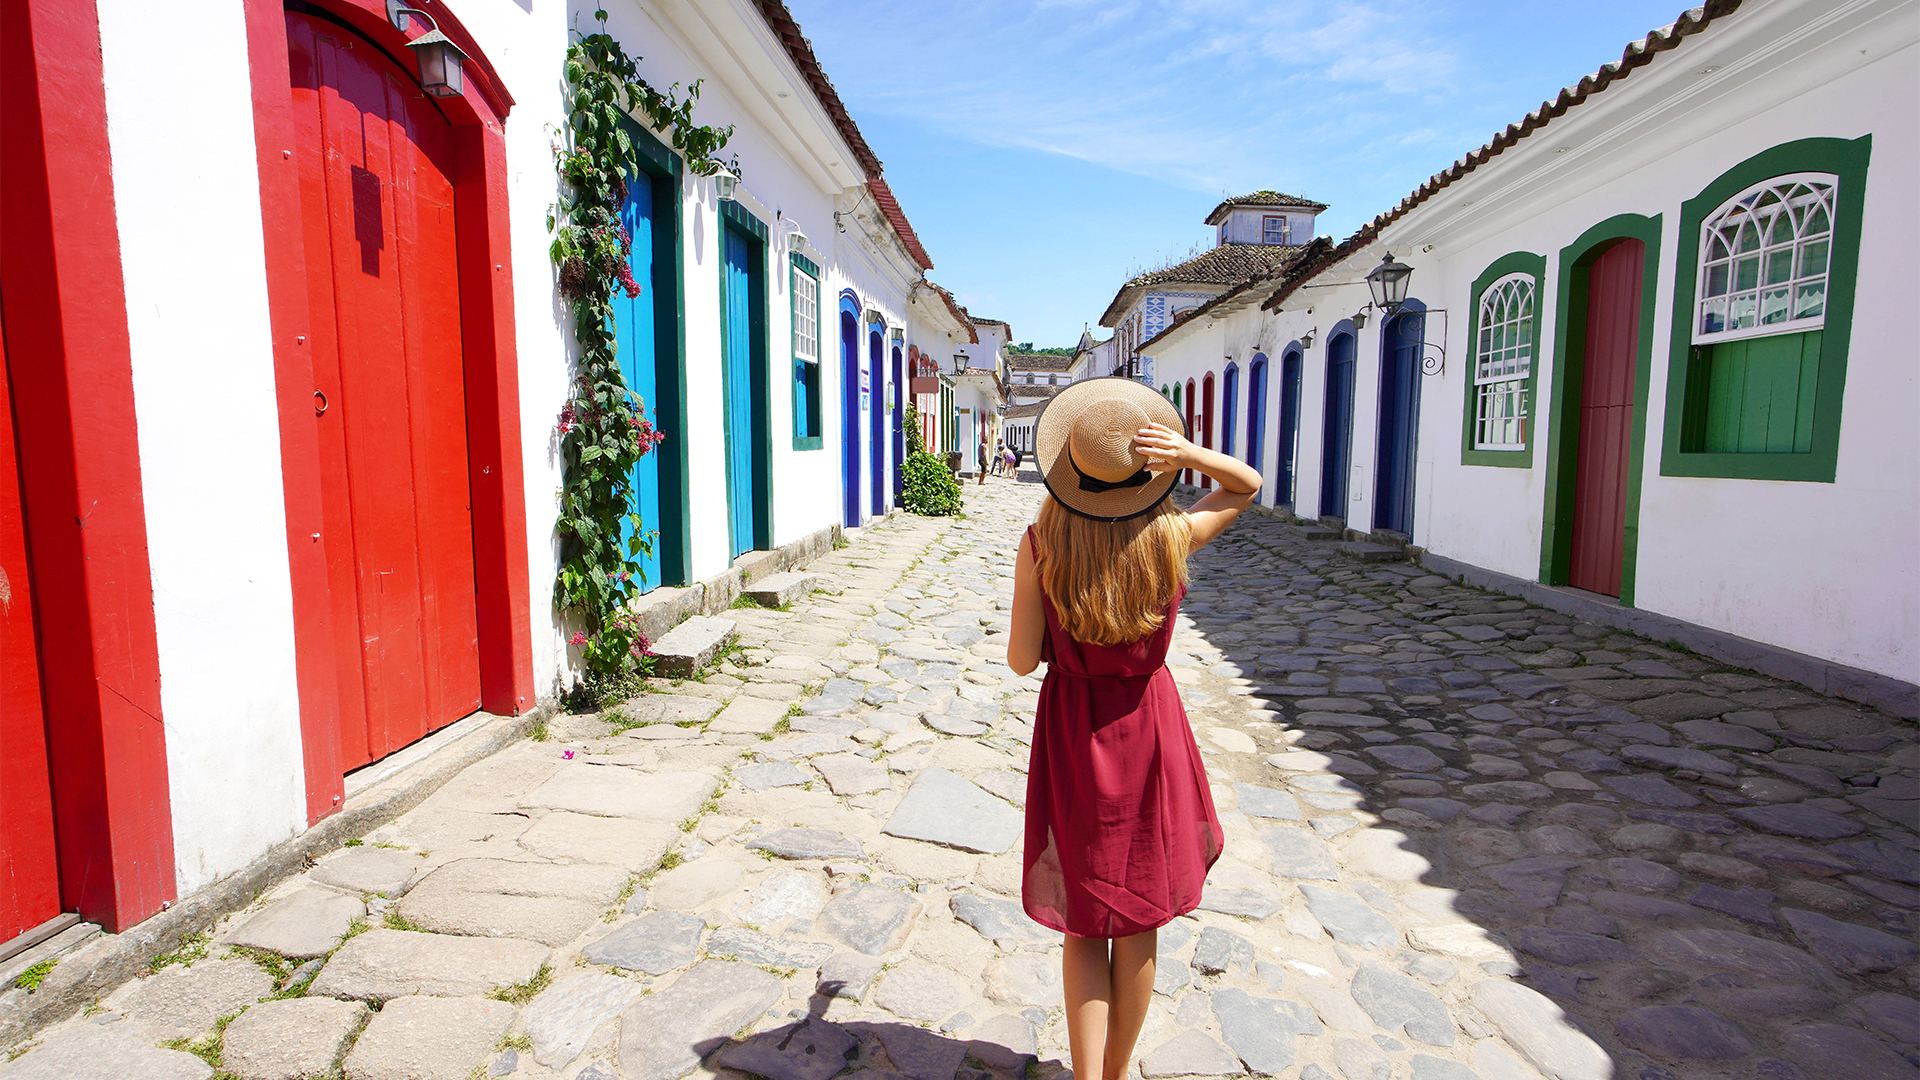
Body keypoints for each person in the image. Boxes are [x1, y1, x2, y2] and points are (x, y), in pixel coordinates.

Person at [1006, 377, 1260, 1080]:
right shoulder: (1170, 535)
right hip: (1148, 726)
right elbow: (1245, 487)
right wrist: (1188, 454)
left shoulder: (1041, 542)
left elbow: (1023, 660)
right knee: (1140, 914)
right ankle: (1116, 1075)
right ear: (1144, 472)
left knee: (1086, 922)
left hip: (1073, 729)